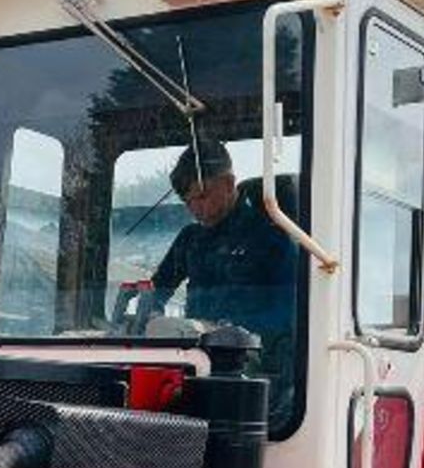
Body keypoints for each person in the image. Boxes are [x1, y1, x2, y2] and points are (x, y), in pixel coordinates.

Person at [127, 134, 300, 420]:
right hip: (193, 363)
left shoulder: (272, 239)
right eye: (187, 201)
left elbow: (290, 315)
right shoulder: (189, 239)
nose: (195, 209)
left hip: (250, 366)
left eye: (203, 196)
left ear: (229, 184)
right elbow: (158, 289)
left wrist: (232, 331)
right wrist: (150, 313)